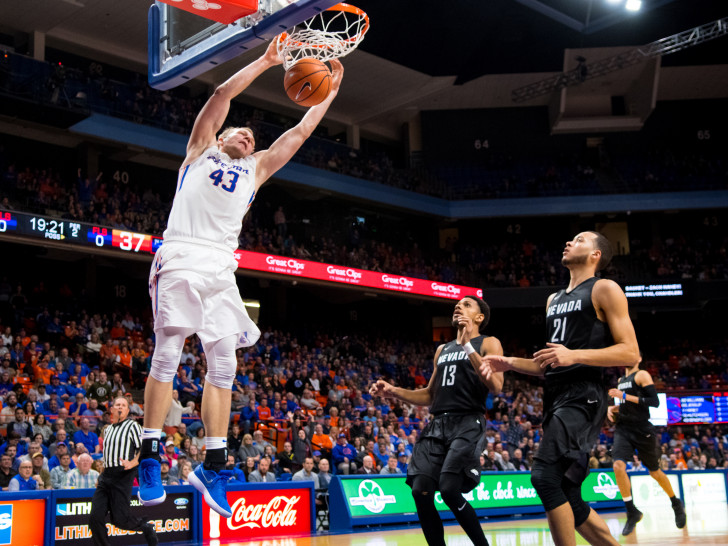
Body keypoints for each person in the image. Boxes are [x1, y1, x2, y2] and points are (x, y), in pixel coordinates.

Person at [138, 38, 344, 519]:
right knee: (169, 349)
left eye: (253, 137)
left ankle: (213, 461)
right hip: (183, 250)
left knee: (224, 361)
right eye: (241, 133)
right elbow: (219, 99)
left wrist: (328, 92)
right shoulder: (199, 151)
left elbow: (300, 131)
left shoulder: (256, 170)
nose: (248, 139)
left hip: (222, 265)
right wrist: (268, 61)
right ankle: (150, 456)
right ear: (221, 136)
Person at [481, 231, 640, 546]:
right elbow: (550, 363)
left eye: (580, 240)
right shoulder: (553, 299)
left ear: (596, 255)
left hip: (584, 395)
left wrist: (573, 355)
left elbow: (631, 352)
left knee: (543, 477)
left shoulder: (605, 288)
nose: (569, 242)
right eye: (570, 239)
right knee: (566, 490)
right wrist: (510, 362)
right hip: (555, 398)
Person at [370, 295, 503, 546]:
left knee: (450, 489)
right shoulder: (442, 350)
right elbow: (430, 395)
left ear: (479, 317)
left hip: (467, 422)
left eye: (466, 305)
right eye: (457, 304)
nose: (458, 306)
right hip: (438, 424)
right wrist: (393, 391)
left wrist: (467, 347)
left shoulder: (489, 342)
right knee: (420, 491)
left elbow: (496, 385)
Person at [607, 360, 686, 535]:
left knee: (654, 472)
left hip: (642, 429)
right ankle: (631, 511)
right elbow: (626, 406)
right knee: (618, 465)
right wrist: (612, 408)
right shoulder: (621, 379)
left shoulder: (642, 375)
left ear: (637, 358)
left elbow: (654, 402)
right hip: (624, 428)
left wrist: (624, 396)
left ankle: (675, 502)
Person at [89, 396, 158, 546]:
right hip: (106, 476)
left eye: (123, 405)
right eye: (117, 405)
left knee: (119, 520)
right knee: (95, 517)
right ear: (112, 409)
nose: (120, 407)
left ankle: (145, 526)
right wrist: (101, 475)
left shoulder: (132, 425)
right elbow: (107, 455)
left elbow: (144, 447)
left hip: (123, 474)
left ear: (127, 410)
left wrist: (133, 462)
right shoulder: (107, 430)